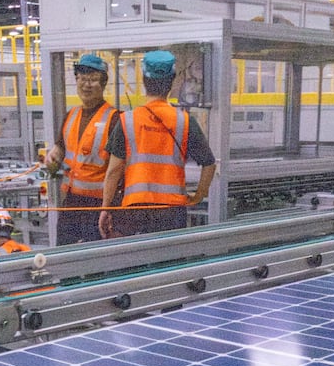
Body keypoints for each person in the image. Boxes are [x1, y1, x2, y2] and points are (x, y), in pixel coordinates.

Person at [99, 50, 217, 239]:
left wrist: (105, 208)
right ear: (172, 81)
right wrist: (199, 195)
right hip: (172, 212)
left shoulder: (127, 121)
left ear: (144, 80)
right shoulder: (185, 122)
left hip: (135, 209)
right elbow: (209, 164)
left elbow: (113, 171)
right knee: (169, 265)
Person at [43, 53, 118, 245]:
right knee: (65, 257)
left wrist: (108, 207)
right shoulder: (71, 115)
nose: (86, 85)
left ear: (103, 84)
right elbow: (61, 148)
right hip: (71, 201)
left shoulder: (114, 119)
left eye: (93, 80)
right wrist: (52, 157)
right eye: (82, 79)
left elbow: (118, 167)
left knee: (96, 262)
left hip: (98, 205)